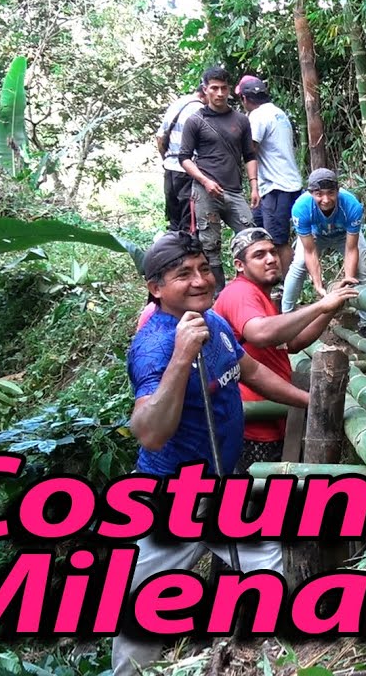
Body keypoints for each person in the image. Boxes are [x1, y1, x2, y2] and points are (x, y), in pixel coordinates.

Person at [113, 231, 307, 675]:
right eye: (184, 274)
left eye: (203, 269)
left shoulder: (214, 322)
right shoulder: (156, 345)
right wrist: (182, 356)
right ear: (155, 288)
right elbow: (149, 433)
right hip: (170, 497)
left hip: (219, 489)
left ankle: (264, 660)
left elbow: (251, 369)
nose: (200, 281)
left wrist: (310, 403)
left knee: (269, 561)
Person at [214, 227, 359, 471]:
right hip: (252, 422)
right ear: (240, 265)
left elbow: (293, 342)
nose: (271, 259)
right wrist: (321, 306)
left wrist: (331, 307)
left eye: (272, 252)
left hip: (271, 415)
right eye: (259, 255)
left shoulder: (261, 296)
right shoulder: (240, 293)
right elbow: (260, 333)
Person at [178, 66, 259, 292]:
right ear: (205, 90)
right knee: (209, 244)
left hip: (233, 190)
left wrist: (254, 186)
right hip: (205, 191)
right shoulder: (195, 121)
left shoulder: (241, 120)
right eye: (214, 88)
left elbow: (249, 154)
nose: (220, 93)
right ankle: (218, 295)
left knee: (250, 236)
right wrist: (204, 181)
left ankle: (250, 289)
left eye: (224, 88)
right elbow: (184, 158)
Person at [282, 168, 366, 334]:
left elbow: (351, 249)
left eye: (331, 193)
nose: (325, 199)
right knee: (299, 264)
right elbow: (309, 252)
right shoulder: (301, 208)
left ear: (338, 191)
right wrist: (318, 284)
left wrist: (348, 279)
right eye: (319, 194)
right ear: (311, 193)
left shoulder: (351, 205)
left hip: (344, 235)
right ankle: (285, 316)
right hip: (316, 234)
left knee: (361, 271)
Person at [235, 75, 302, 273]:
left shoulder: (257, 116)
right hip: (286, 184)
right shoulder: (278, 112)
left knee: (277, 241)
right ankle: (272, 282)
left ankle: (286, 286)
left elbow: (250, 149)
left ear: (245, 99)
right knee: (261, 234)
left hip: (275, 187)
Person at [154, 85, 205, 231]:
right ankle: (188, 252)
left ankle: (173, 252)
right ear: (205, 93)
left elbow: (160, 137)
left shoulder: (178, 103)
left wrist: (166, 159)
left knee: (174, 223)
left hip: (170, 169)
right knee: (189, 223)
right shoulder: (200, 110)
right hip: (188, 171)